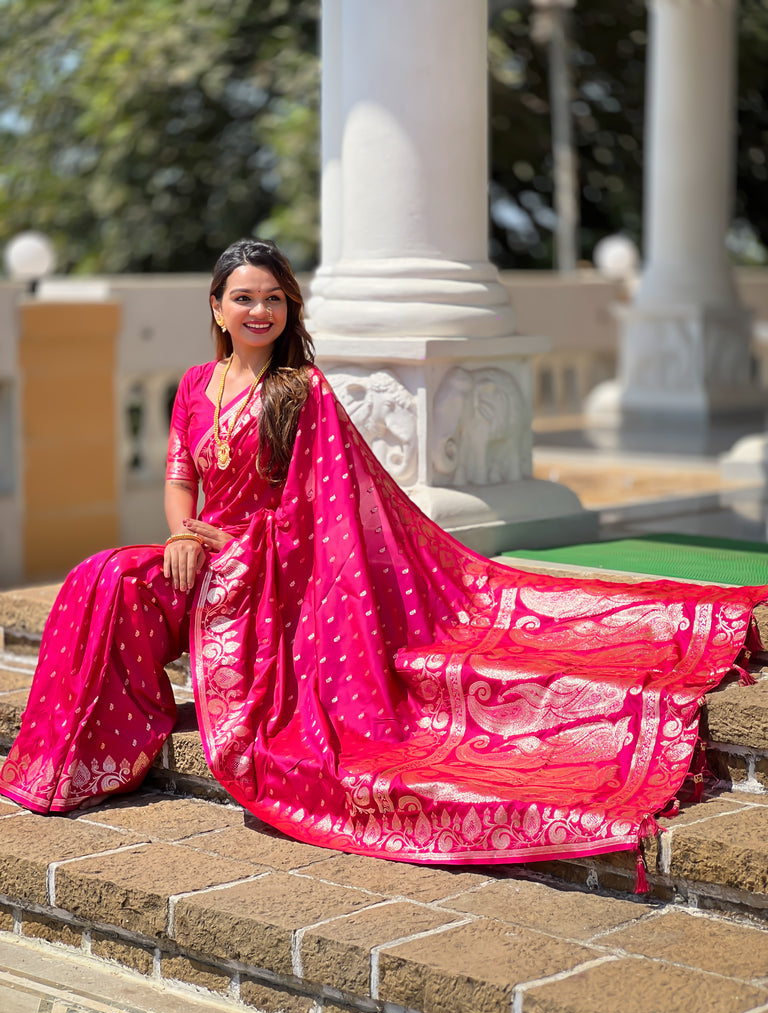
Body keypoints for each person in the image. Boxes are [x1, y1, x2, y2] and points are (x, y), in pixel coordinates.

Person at [2, 239, 767, 885]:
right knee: (104, 574)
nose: (258, 311)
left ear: (289, 309)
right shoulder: (196, 387)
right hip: (200, 553)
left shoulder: (302, 391)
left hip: (271, 567)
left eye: (273, 298)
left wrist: (246, 548)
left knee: (126, 576)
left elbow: (322, 508)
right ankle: (89, 753)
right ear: (216, 308)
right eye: (242, 298)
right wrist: (180, 534)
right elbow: (179, 480)